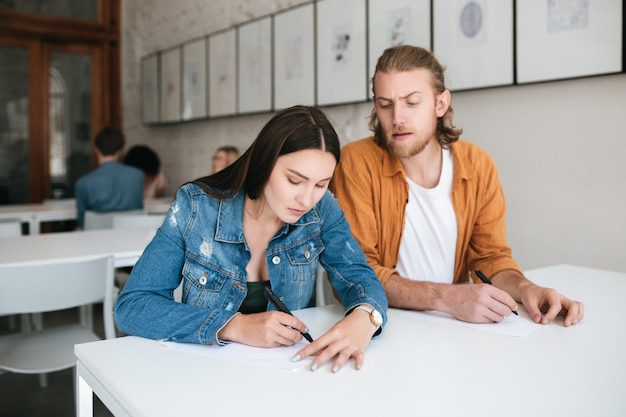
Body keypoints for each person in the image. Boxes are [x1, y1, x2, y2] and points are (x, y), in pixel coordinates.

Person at [115, 105, 388, 373]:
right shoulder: (196, 207)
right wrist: (235, 326)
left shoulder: (322, 208)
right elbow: (133, 306)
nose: (307, 199)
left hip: (286, 377)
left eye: (321, 184)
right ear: (264, 162)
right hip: (203, 376)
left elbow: (359, 275)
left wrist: (366, 317)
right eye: (294, 181)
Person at [331, 45, 584, 327]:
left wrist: (527, 290)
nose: (397, 118)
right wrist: (448, 298)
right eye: (385, 104)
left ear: (441, 104)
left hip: (454, 326)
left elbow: (490, 259)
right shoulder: (356, 162)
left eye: (412, 102)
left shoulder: (477, 164)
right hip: (380, 323)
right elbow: (355, 271)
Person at [75, 127, 144, 229]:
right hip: (132, 237)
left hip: (96, 240)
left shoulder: (83, 183)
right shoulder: (138, 175)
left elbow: (82, 222)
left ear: (96, 149)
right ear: (120, 151)